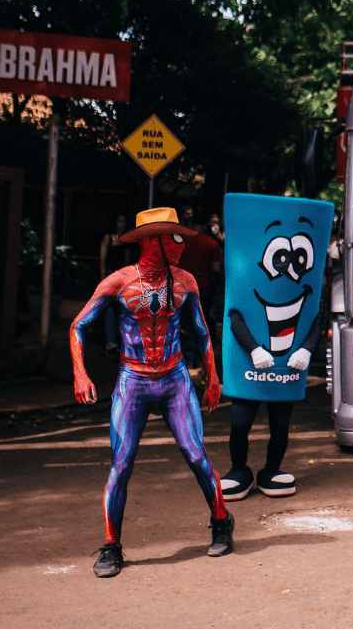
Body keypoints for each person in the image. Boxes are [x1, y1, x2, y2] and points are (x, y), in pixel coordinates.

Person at [69, 207, 233, 578]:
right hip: (134, 380)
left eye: (181, 237)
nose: (181, 244)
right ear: (151, 241)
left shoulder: (185, 281)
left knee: (196, 455)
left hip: (175, 378)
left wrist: (213, 378)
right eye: (173, 237)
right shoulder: (118, 282)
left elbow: (202, 331)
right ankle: (112, 546)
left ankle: (222, 520)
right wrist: (80, 374)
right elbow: (78, 326)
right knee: (122, 463)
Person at [218, 194, 334, 502]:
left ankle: (272, 469)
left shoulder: (313, 287)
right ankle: (238, 470)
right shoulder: (240, 279)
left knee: (280, 425)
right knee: (240, 423)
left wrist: (306, 349)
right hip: (249, 365)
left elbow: (316, 320)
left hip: (286, 368)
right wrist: (254, 349)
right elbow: (234, 315)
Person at [175, 216, 224, 369]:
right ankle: (190, 362)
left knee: (175, 324)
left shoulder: (180, 240)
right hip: (200, 288)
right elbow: (216, 269)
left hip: (178, 287)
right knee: (195, 326)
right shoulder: (212, 243)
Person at [99, 215, 133, 353]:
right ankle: (110, 342)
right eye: (119, 221)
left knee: (122, 308)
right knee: (109, 308)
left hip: (122, 276)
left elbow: (127, 260)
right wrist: (103, 278)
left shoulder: (126, 239)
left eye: (124, 221)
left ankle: (120, 342)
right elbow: (102, 259)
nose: (122, 224)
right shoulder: (108, 237)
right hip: (110, 274)